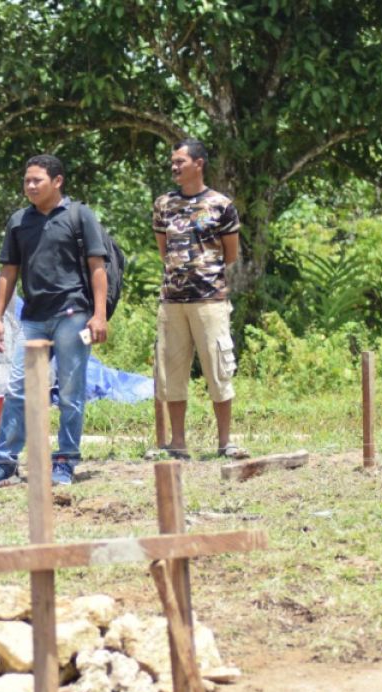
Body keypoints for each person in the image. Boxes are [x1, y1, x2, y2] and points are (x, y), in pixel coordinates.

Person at [0, 154, 108, 488]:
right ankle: (4, 464)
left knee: (69, 392)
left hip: (73, 315)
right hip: (33, 319)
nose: (30, 186)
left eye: (37, 180)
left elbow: (97, 266)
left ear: (57, 181)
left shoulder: (80, 216)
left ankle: (64, 462)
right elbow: (9, 270)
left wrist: (99, 315)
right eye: (26, 181)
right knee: (18, 390)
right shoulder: (20, 221)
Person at [150, 138, 246, 460]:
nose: (175, 167)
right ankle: (177, 443)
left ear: (199, 163)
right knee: (172, 373)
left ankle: (225, 442)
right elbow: (164, 251)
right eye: (172, 162)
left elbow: (230, 254)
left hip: (210, 301)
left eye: (181, 161)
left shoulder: (221, 204)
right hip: (173, 301)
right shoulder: (164, 205)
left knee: (218, 369)